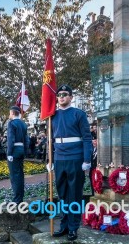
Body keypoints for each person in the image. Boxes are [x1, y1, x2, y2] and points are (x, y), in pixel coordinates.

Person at [51, 84, 92, 241]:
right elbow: (50, 139)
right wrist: (50, 159)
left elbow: (87, 138)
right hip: (59, 158)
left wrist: (87, 159)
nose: (61, 96)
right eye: (59, 94)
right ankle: (64, 226)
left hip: (76, 157)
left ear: (71, 97)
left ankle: (73, 227)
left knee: (74, 194)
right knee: (62, 194)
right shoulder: (52, 115)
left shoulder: (78, 114)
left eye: (65, 94)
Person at [7, 105, 29, 205]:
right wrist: (25, 151)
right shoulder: (23, 124)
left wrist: (9, 153)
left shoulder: (11, 123)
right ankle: (20, 197)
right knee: (20, 174)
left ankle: (17, 199)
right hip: (21, 149)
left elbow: (10, 139)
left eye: (10, 113)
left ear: (12, 113)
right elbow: (26, 140)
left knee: (14, 176)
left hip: (14, 150)